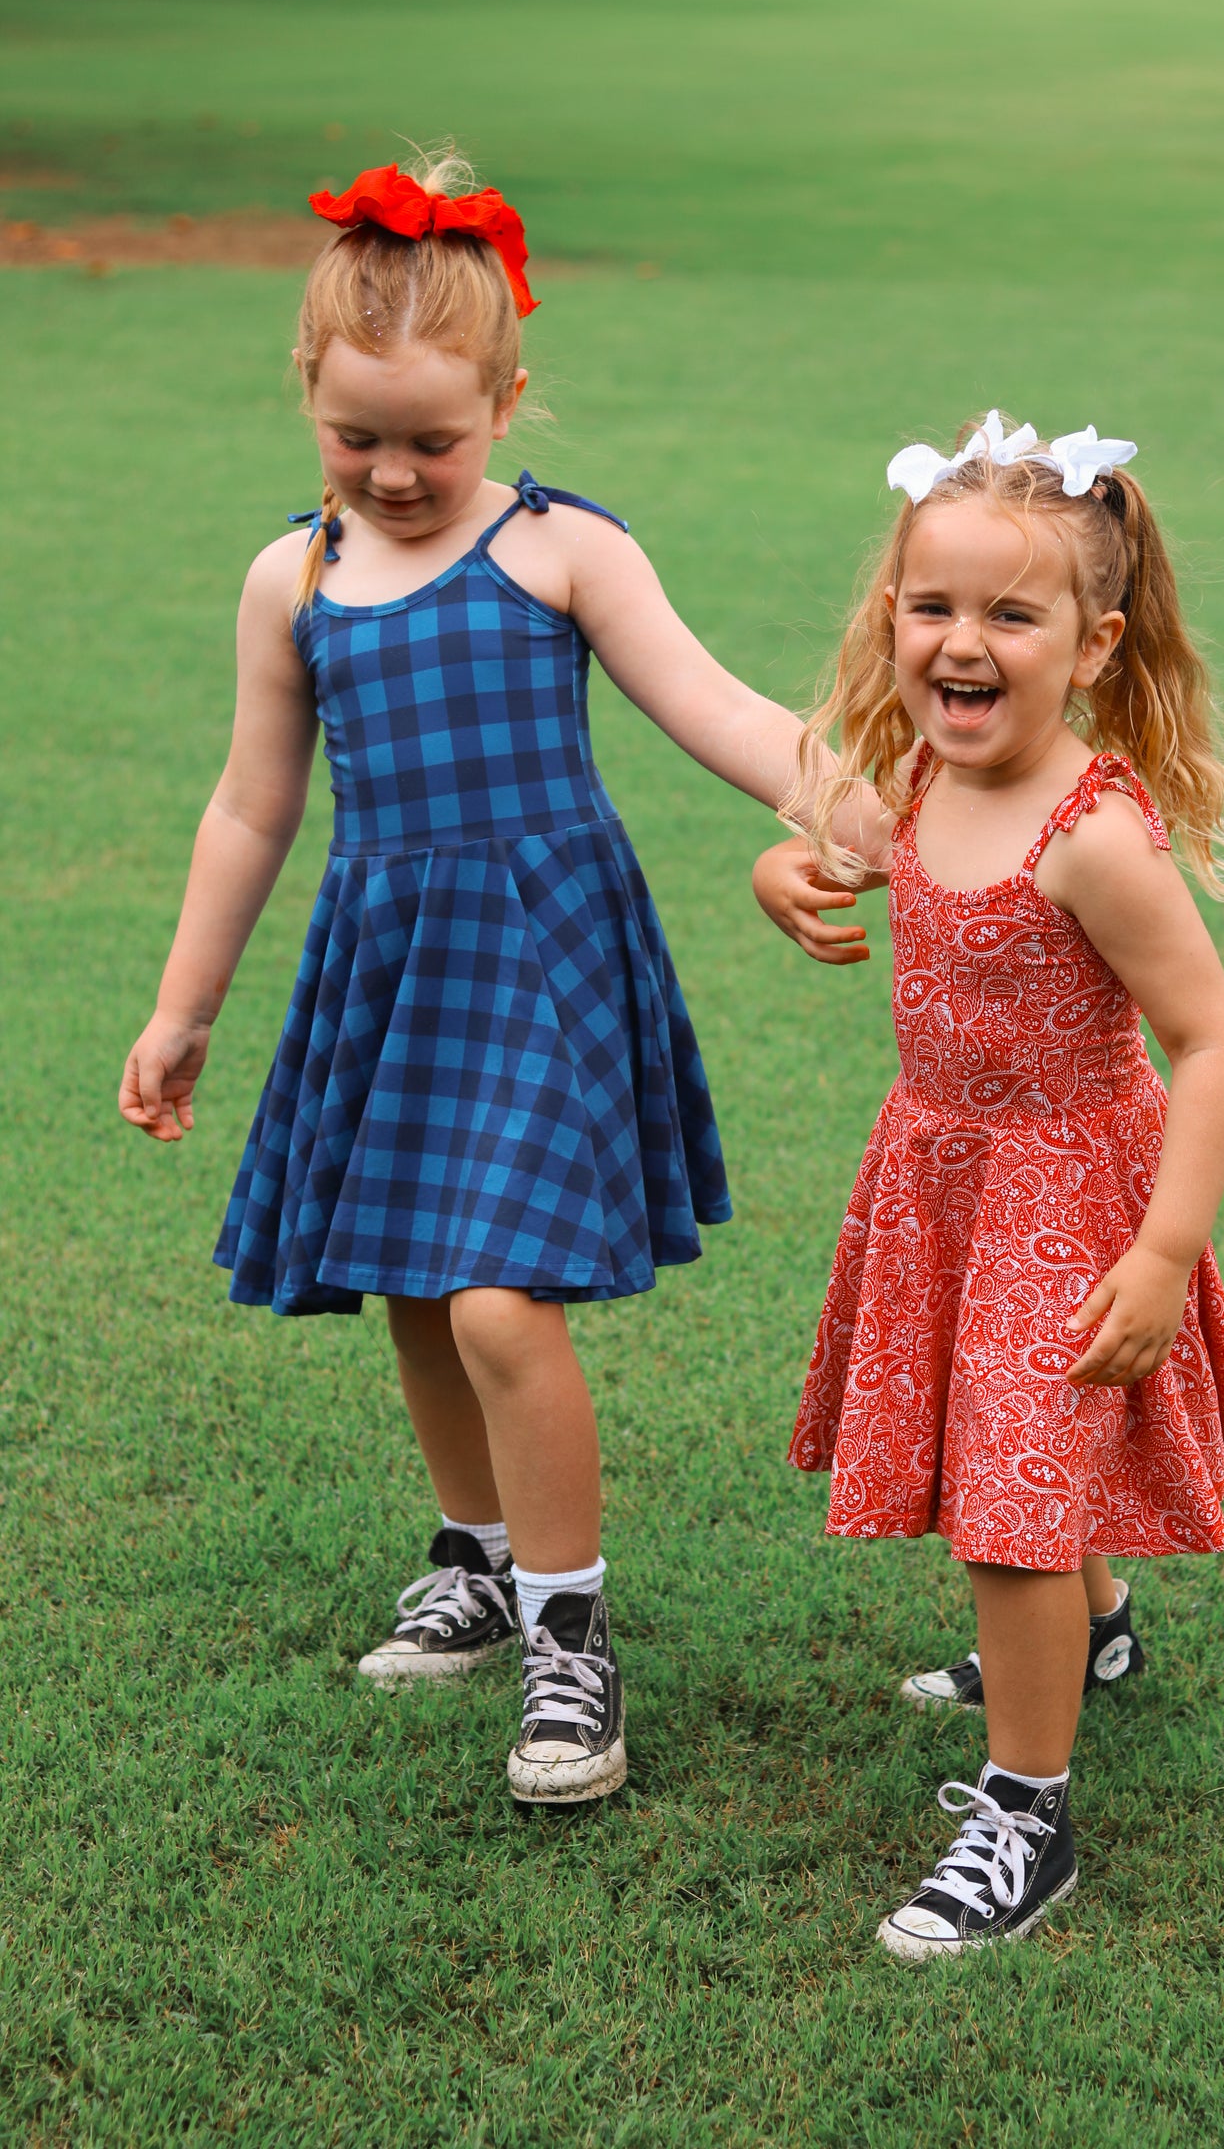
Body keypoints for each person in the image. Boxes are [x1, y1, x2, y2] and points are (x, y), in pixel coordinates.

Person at [118, 153, 866, 1807]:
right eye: (357, 436)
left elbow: (721, 709)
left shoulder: (560, 552)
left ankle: (568, 1633)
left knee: (497, 1300)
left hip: (540, 961)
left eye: (433, 441)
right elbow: (252, 806)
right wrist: (185, 1008)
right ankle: (469, 1553)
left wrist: (857, 807)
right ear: (306, 395)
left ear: (507, 399)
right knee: (409, 1282)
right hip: (388, 964)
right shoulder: (291, 581)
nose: (394, 473)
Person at [752, 411, 1224, 1954]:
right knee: (1012, 1465)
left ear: (1092, 642)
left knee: (1009, 1508)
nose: (960, 643)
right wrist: (778, 870)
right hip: (939, 1178)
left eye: (1008, 614)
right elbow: (837, 841)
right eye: (931, 608)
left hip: (1068, 1192)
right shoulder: (921, 777)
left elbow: (1212, 1042)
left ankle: (1025, 1815)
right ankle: (1093, 1640)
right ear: (891, 622)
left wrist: (1167, 1249)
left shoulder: (1095, 835)